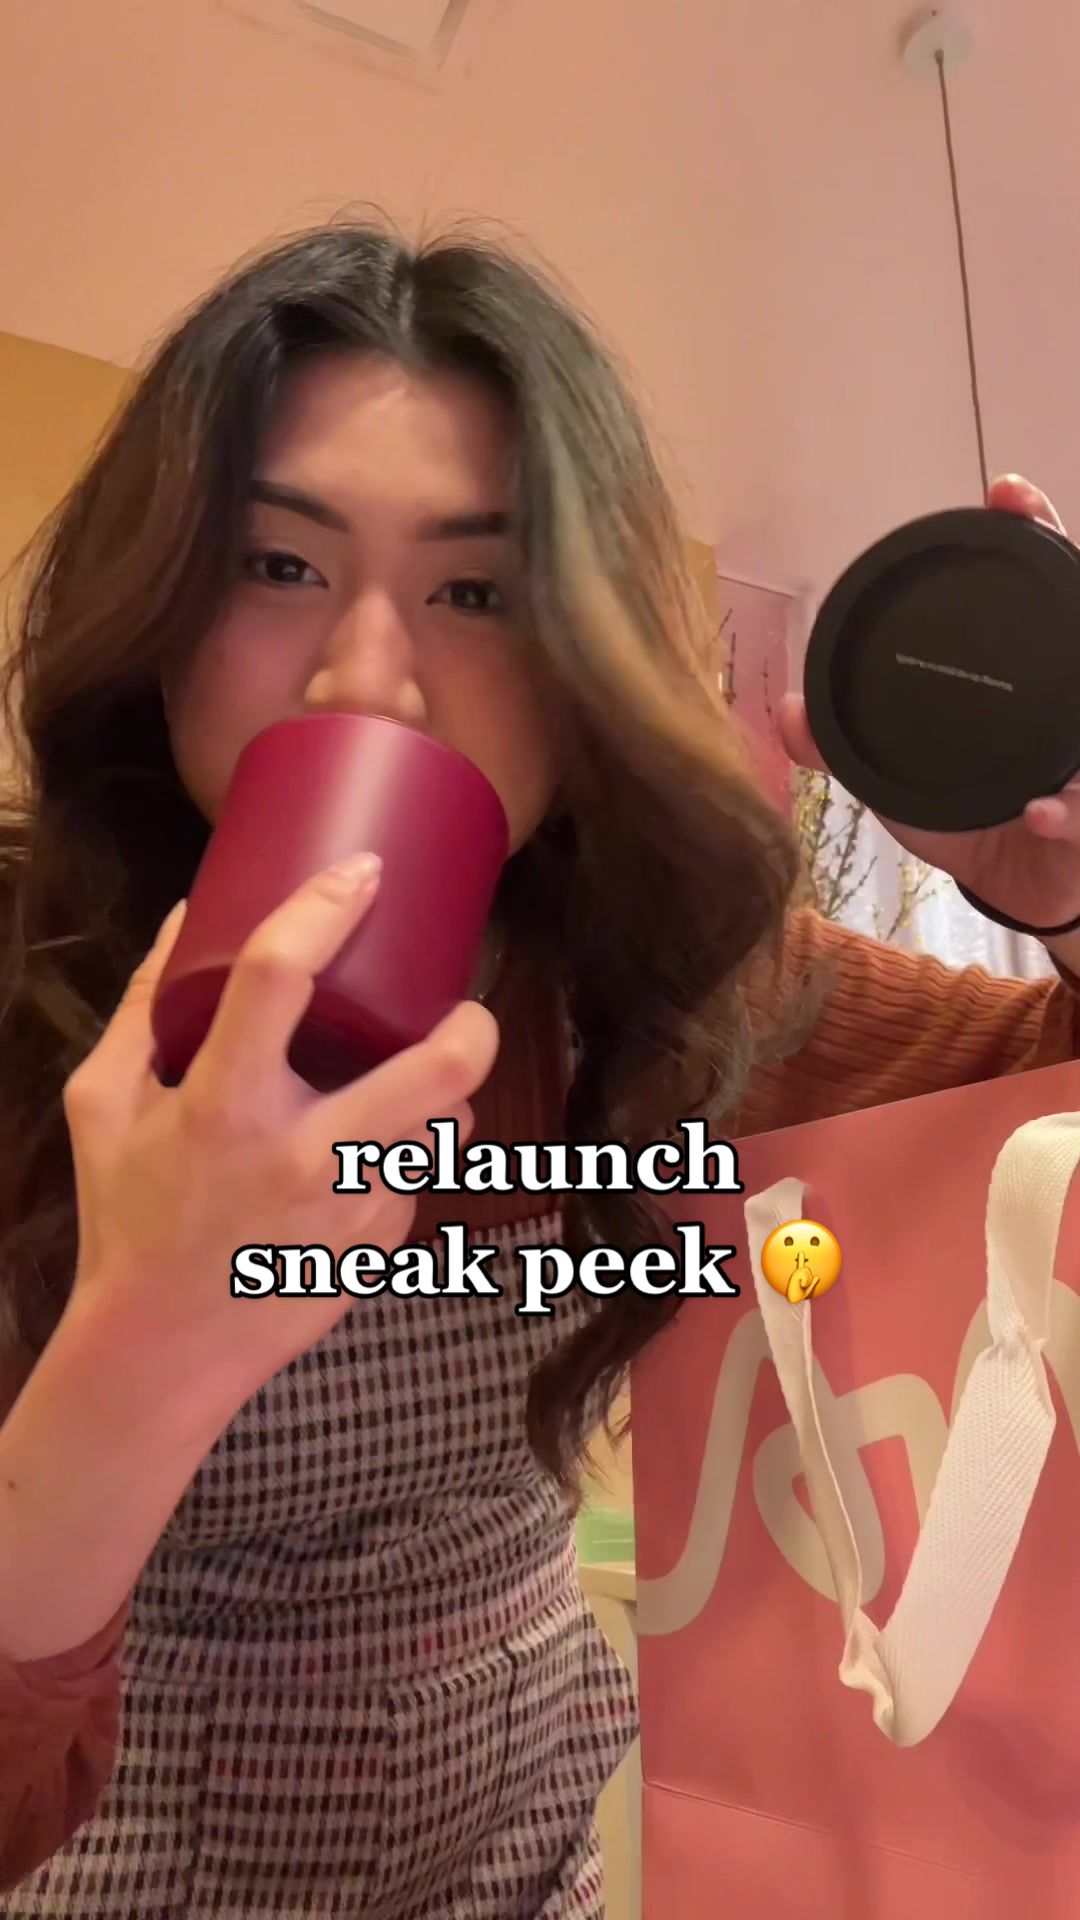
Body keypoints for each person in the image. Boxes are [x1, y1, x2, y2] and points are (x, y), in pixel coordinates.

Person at [0, 221, 1078, 1920]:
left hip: (526, 1870)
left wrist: (1063, 900)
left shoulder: (668, 993)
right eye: (277, 565)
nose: (368, 677)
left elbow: (1039, 1122)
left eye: (477, 593)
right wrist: (133, 1351)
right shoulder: (26, 988)